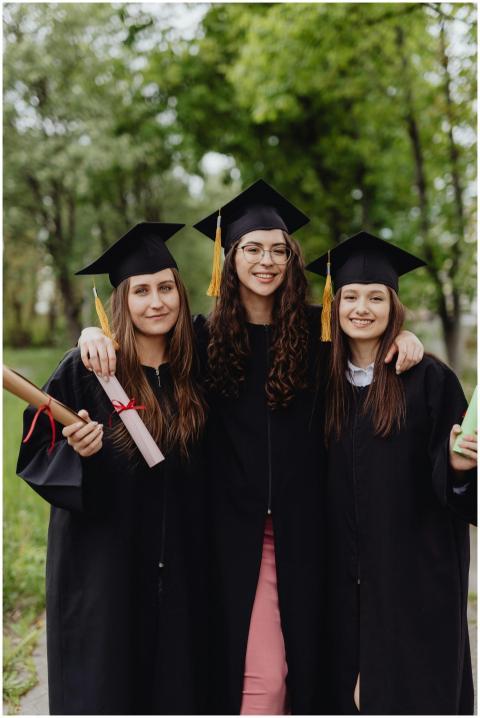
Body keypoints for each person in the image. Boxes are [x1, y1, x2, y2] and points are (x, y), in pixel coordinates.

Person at [78, 181, 424, 714]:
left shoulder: (321, 332)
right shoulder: (199, 337)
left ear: (292, 257)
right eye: (252, 248)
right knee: (262, 675)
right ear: (228, 257)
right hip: (230, 534)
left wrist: (405, 338)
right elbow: (142, 339)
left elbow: (370, 346)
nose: (266, 261)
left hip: (314, 530)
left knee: (315, 661)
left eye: (278, 249)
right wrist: (90, 334)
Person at [17, 223, 208, 715]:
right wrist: (76, 450)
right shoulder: (87, 370)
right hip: (103, 568)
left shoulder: (199, 363)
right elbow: (36, 449)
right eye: (140, 291)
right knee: (105, 686)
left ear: (180, 294)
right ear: (120, 301)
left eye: (166, 287)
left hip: (180, 565)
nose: (156, 302)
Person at [306, 231, 477, 715]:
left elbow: (464, 493)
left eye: (376, 297)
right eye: (351, 297)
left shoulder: (430, 380)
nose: (362, 308)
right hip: (336, 578)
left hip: (415, 580)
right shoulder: (316, 380)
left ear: (394, 306)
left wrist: (461, 468)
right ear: (333, 305)